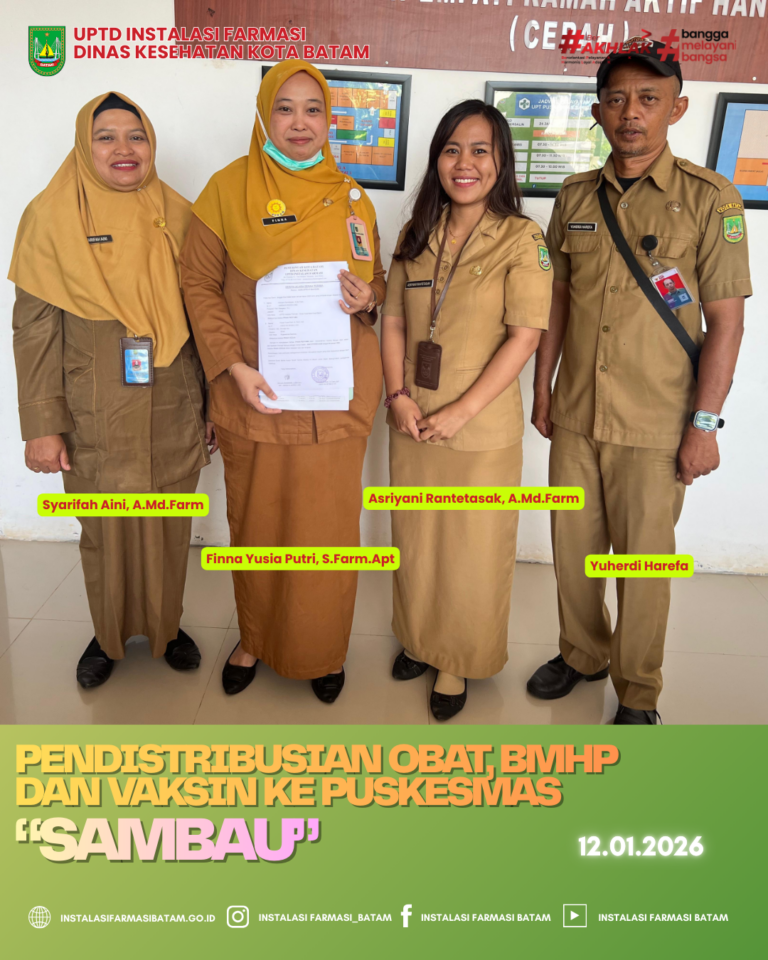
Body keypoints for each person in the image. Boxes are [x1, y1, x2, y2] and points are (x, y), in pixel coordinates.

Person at [527, 41, 751, 723]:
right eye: (618, 99)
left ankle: (638, 691)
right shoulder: (575, 196)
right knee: (573, 554)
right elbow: (557, 300)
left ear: (675, 109)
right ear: (598, 111)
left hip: (657, 423)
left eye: (649, 99)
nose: (632, 113)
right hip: (577, 414)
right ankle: (582, 653)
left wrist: (704, 426)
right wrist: (543, 389)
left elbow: (727, 324)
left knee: (643, 565)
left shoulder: (710, 199)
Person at [180, 60, 385, 703]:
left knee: (327, 531)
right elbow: (198, 286)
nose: (300, 122)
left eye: (313, 109)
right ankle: (254, 639)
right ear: (264, 116)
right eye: (285, 108)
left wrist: (369, 298)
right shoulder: (225, 190)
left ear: (329, 120)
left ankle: (325, 651)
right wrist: (232, 367)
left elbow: (375, 283)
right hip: (257, 395)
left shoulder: (351, 198)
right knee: (258, 524)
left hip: (333, 398)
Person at [10, 92, 215, 689]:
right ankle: (107, 638)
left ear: (151, 144)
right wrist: (42, 425)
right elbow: (34, 330)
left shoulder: (181, 214)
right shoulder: (49, 217)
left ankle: (167, 629)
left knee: (169, 527)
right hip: (92, 405)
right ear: (85, 145)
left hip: (172, 398)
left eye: (136, 136)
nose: (124, 149)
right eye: (106, 137)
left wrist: (213, 406)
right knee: (104, 531)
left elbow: (205, 319)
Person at [381, 101, 552, 721]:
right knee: (418, 541)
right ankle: (419, 639)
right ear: (437, 160)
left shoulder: (521, 238)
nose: (465, 163)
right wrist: (398, 396)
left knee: (471, 549)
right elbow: (392, 320)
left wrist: (460, 412)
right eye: (452, 149)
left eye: (481, 150)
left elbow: (525, 338)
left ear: (501, 161)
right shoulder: (416, 232)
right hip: (413, 418)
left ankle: (455, 658)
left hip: (479, 430)